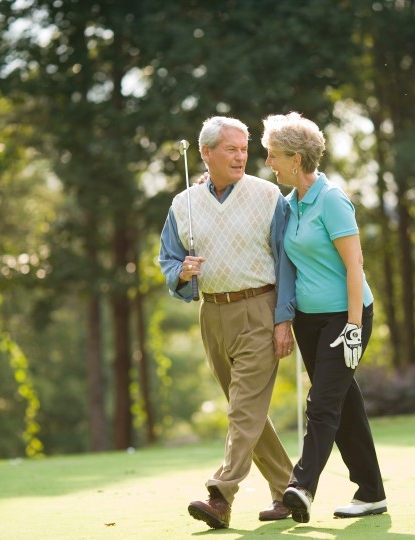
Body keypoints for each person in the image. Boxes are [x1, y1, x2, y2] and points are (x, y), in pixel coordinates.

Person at [158, 116, 296, 529]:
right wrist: (181, 272)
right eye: (231, 149)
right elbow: (167, 258)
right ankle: (290, 488)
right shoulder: (184, 203)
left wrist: (284, 318)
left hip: (260, 308)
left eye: (244, 148)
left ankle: (220, 494)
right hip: (212, 315)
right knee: (247, 411)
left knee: (242, 411)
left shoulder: (269, 195)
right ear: (206, 153)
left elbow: (287, 261)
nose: (241, 156)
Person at [260, 112, 387, 523]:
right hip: (309, 322)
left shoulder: (331, 200)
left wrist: (353, 326)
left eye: (273, 155)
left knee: (322, 404)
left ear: (296, 159)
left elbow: (355, 267)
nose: (268, 163)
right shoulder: (290, 203)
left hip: (345, 317)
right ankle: (371, 492)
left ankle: (301, 486)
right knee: (344, 404)